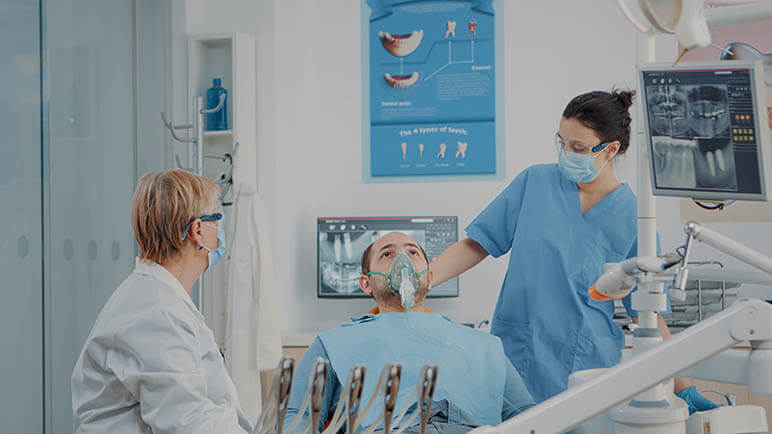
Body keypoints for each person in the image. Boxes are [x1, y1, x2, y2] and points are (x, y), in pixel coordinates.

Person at [428, 89, 718, 412]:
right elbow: (477, 244)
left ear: (611, 150)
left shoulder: (635, 218)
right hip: (516, 359)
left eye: (578, 147)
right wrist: (425, 277)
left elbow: (648, 315)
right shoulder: (534, 183)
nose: (566, 153)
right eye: (561, 142)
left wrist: (685, 390)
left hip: (587, 372)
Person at [285, 232, 535, 433]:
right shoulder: (334, 344)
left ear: (429, 276)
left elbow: (529, 417)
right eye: (387, 254)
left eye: (412, 252)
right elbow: (298, 416)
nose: (402, 259)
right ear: (366, 283)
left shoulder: (483, 346)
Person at [71, 169, 251, 433]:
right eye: (218, 218)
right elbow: (188, 424)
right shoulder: (156, 312)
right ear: (198, 230)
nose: (220, 232)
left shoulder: (158, 299)